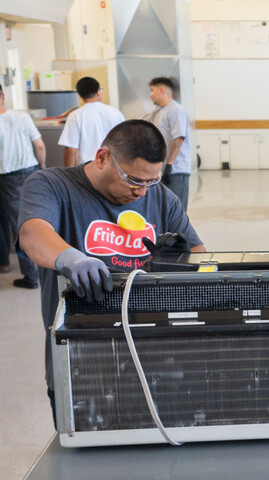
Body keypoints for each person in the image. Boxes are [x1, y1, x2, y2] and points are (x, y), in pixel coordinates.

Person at [18, 119, 206, 425]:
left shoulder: (160, 199)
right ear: (103, 157)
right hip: (82, 362)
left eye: (151, 182)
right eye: (133, 180)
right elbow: (32, 233)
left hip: (155, 362)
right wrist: (70, 258)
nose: (142, 193)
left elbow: (197, 254)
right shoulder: (51, 185)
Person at [0, 83, 46, 288]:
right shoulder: (22, 117)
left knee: (19, 228)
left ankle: (30, 277)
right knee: (40, 221)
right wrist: (41, 168)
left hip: (7, 179)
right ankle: (47, 270)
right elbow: (40, 145)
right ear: (3, 96)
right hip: (31, 172)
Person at [143, 77, 191, 210]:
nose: (150, 94)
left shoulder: (176, 110)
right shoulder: (159, 112)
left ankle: (179, 232)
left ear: (161, 91)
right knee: (165, 209)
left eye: (152, 90)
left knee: (177, 209)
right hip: (163, 170)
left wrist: (169, 165)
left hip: (176, 170)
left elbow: (179, 138)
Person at [58, 76, 125, 167]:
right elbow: (124, 143)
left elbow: (71, 150)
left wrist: (68, 175)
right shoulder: (116, 113)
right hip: (113, 167)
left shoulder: (76, 115)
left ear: (80, 95)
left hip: (87, 169)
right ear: (98, 92)